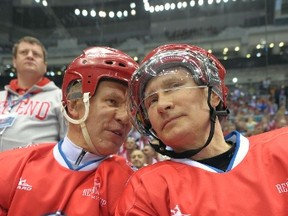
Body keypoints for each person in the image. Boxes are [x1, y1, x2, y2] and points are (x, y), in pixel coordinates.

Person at [115, 44, 288, 215]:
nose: (162, 104)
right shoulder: (145, 190)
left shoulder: (283, 148)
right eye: (151, 101)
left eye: (173, 86)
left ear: (213, 94)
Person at [0, 46, 138, 215]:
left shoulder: (134, 185)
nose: (125, 118)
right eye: (112, 101)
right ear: (74, 105)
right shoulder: (8, 167)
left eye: (131, 108)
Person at [0, 36, 67, 151]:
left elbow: (70, 143)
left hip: (35, 167)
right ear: (14, 62)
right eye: (24, 52)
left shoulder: (60, 97)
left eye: (36, 54)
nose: (30, 56)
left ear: (45, 66)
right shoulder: (2, 96)